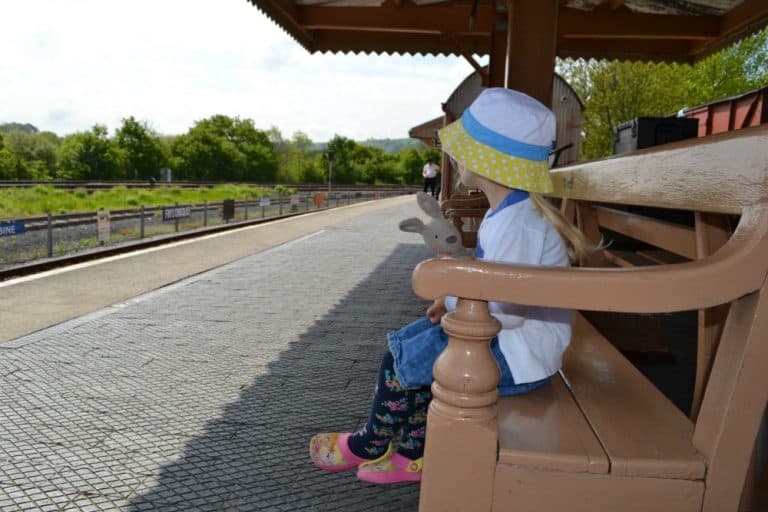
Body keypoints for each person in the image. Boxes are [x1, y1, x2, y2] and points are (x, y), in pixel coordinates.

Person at [309, 88, 594, 485]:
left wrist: (453, 293)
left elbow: (506, 310)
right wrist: (454, 296)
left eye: (463, 149)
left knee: (403, 361)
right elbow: (498, 288)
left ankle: (370, 443)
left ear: (487, 160)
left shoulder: (518, 224)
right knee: (416, 350)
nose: (453, 156)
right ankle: (412, 453)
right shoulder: (508, 213)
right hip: (514, 347)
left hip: (521, 358)